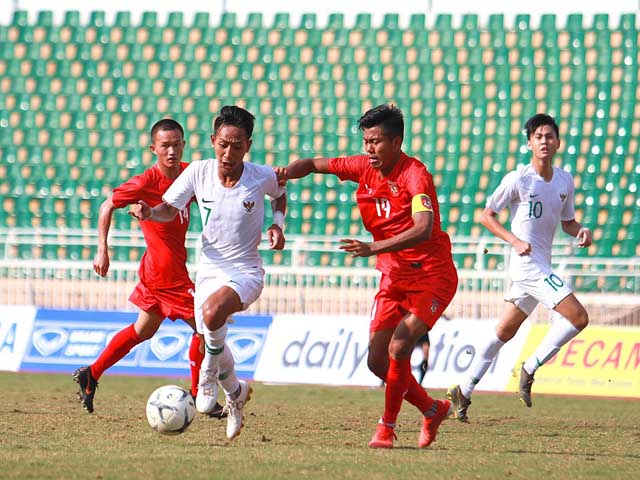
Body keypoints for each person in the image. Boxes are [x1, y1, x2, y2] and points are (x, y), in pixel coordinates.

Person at [277, 104, 458, 449]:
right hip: (394, 277)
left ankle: (386, 428)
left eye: (376, 142)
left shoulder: (415, 176)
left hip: (432, 277)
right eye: (366, 142)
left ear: (397, 141)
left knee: (401, 345)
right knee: (377, 361)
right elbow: (316, 165)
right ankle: (432, 409)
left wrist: (375, 247)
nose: (369, 149)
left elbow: (424, 228)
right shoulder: (363, 167)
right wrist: (284, 173)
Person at [130, 105, 286, 441]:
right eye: (223, 144)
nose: (229, 152)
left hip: (246, 270)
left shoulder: (261, 176)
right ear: (214, 141)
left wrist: (278, 224)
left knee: (213, 316)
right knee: (210, 332)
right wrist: (148, 213)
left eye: (237, 145)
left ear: (248, 145)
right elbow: (168, 209)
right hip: (209, 269)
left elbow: (281, 193)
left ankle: (207, 376)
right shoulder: (198, 173)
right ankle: (236, 393)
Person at [73, 119, 227, 417]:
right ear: (153, 149)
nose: (171, 151)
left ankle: (91, 373)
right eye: (165, 146)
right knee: (206, 328)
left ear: (184, 144)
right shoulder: (145, 182)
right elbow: (107, 205)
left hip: (163, 269)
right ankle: (198, 395)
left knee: (142, 330)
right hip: (165, 275)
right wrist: (102, 250)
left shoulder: (188, 174)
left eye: (176, 144)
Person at [447, 113, 592, 422]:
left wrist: (581, 230)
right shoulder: (518, 179)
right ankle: (530, 366)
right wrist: (513, 240)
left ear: (557, 142)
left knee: (504, 330)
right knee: (579, 317)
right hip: (526, 265)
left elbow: (567, 222)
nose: (544, 141)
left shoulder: (565, 180)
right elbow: (487, 215)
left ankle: (465, 388)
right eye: (538, 136)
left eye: (549, 136)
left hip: (541, 263)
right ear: (529, 143)